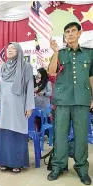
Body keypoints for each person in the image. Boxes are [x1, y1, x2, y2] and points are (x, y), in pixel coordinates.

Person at [47, 22, 93, 185]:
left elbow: (91, 77)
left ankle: (82, 168)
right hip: (62, 101)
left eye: (73, 31)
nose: (70, 34)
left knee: (81, 137)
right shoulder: (60, 53)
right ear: (65, 35)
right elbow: (51, 72)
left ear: (80, 33)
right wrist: (54, 53)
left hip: (82, 100)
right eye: (67, 32)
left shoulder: (89, 54)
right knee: (60, 136)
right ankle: (58, 166)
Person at [0, 42, 35, 173]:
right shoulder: (1, 67)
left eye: (13, 48)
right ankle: (2, 161)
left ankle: (17, 162)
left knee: (17, 131)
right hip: (4, 106)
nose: (9, 50)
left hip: (18, 106)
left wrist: (29, 106)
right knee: (4, 130)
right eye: (8, 48)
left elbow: (30, 87)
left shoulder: (26, 66)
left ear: (19, 51)